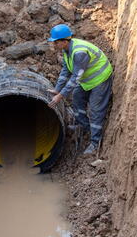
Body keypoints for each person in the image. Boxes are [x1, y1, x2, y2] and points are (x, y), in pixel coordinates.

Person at [47, 24, 113, 154]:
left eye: (56, 42)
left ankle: (95, 142)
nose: (54, 45)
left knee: (95, 110)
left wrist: (60, 96)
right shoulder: (66, 50)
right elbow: (66, 71)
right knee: (77, 99)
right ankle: (85, 128)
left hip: (100, 79)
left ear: (64, 41)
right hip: (87, 80)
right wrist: (57, 89)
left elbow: (75, 78)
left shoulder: (79, 53)